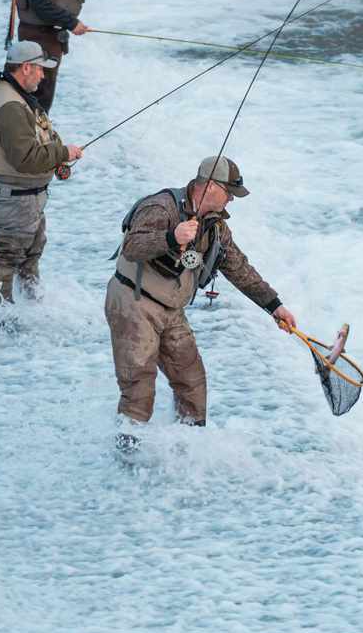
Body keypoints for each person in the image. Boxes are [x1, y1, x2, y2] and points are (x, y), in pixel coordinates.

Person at [105, 156, 297, 441]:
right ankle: (127, 459)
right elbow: (132, 246)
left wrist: (274, 305)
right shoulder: (160, 206)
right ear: (209, 186)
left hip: (171, 310)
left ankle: (188, 447)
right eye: (229, 192)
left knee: (192, 382)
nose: (231, 199)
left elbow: (238, 267)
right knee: (138, 388)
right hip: (133, 303)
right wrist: (171, 237)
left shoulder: (216, 226)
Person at [0, 39, 83, 302]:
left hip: (25, 197)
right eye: (40, 69)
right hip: (15, 198)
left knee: (29, 256)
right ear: (25, 68)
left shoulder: (11, 95)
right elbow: (25, 159)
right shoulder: (9, 106)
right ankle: (2, 320)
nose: (43, 75)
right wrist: (63, 153)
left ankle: (31, 308)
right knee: (7, 259)